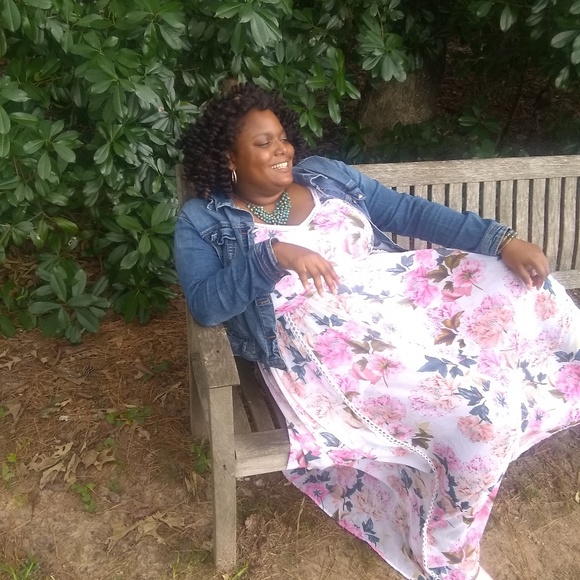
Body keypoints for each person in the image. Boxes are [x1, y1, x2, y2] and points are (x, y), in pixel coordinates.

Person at [175, 83, 580, 580]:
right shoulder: (203, 220)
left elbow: (409, 213)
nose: (283, 150)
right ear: (228, 157)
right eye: (264, 143)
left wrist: (501, 240)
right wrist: (271, 256)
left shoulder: (325, 176)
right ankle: (448, 552)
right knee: (482, 417)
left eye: (282, 137)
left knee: (525, 284)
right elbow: (206, 305)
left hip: (403, 301)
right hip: (335, 344)